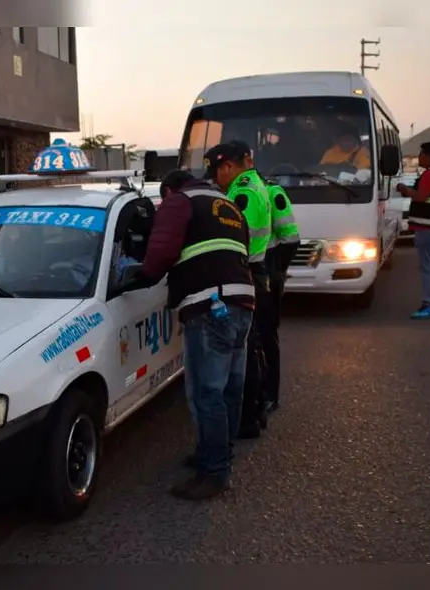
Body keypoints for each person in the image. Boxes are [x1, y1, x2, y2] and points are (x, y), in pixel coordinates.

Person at [118, 168, 254, 501]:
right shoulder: (226, 204)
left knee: (206, 393)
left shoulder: (179, 201)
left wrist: (142, 276)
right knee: (229, 389)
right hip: (242, 303)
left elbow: (162, 251)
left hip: (209, 307)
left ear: (168, 189)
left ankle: (215, 472)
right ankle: (217, 453)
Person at [203, 141, 273, 439]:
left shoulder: (242, 192)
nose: (213, 178)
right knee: (251, 346)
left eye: (215, 171)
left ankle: (248, 418)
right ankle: (253, 414)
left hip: (247, 271)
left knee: (245, 351)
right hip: (256, 270)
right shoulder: (255, 184)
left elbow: (235, 235)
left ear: (228, 166)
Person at [230, 140, 300, 415]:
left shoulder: (272, 192)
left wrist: (276, 271)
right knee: (255, 335)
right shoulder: (238, 191)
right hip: (257, 271)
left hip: (266, 272)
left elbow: (291, 239)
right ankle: (258, 392)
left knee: (266, 335)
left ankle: (270, 393)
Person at [396, 142, 430, 319]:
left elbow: (421, 197)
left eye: (421, 154)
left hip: (428, 227)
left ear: (428, 156)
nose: (418, 157)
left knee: (427, 268)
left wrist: (405, 189)